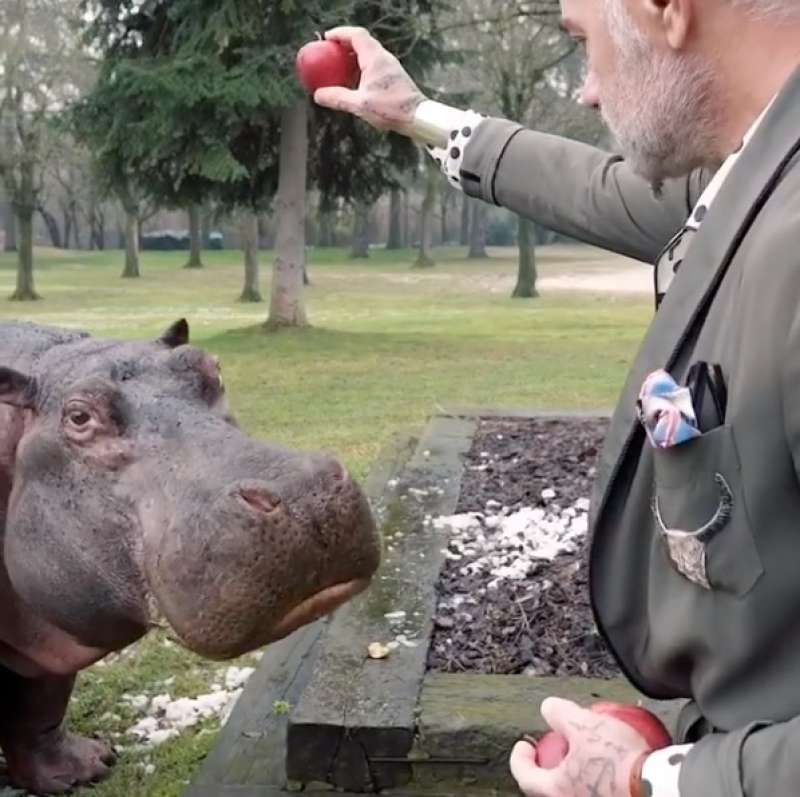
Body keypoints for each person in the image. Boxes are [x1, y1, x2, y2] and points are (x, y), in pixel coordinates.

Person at [312, 2, 800, 796]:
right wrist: (419, 117)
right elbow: (602, 189)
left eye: (585, 40)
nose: (586, 91)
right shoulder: (762, 170)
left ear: (665, 11)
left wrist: (656, 778)